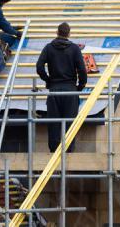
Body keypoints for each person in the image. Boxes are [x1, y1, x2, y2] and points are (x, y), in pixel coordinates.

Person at [36, 22, 87, 152]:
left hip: (55, 91)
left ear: (57, 32)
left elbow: (39, 66)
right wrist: (80, 86)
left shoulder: (48, 48)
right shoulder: (74, 49)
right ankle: (68, 152)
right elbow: (82, 69)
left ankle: (54, 152)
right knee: (70, 124)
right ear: (69, 33)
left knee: (54, 123)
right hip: (70, 91)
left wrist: (48, 80)